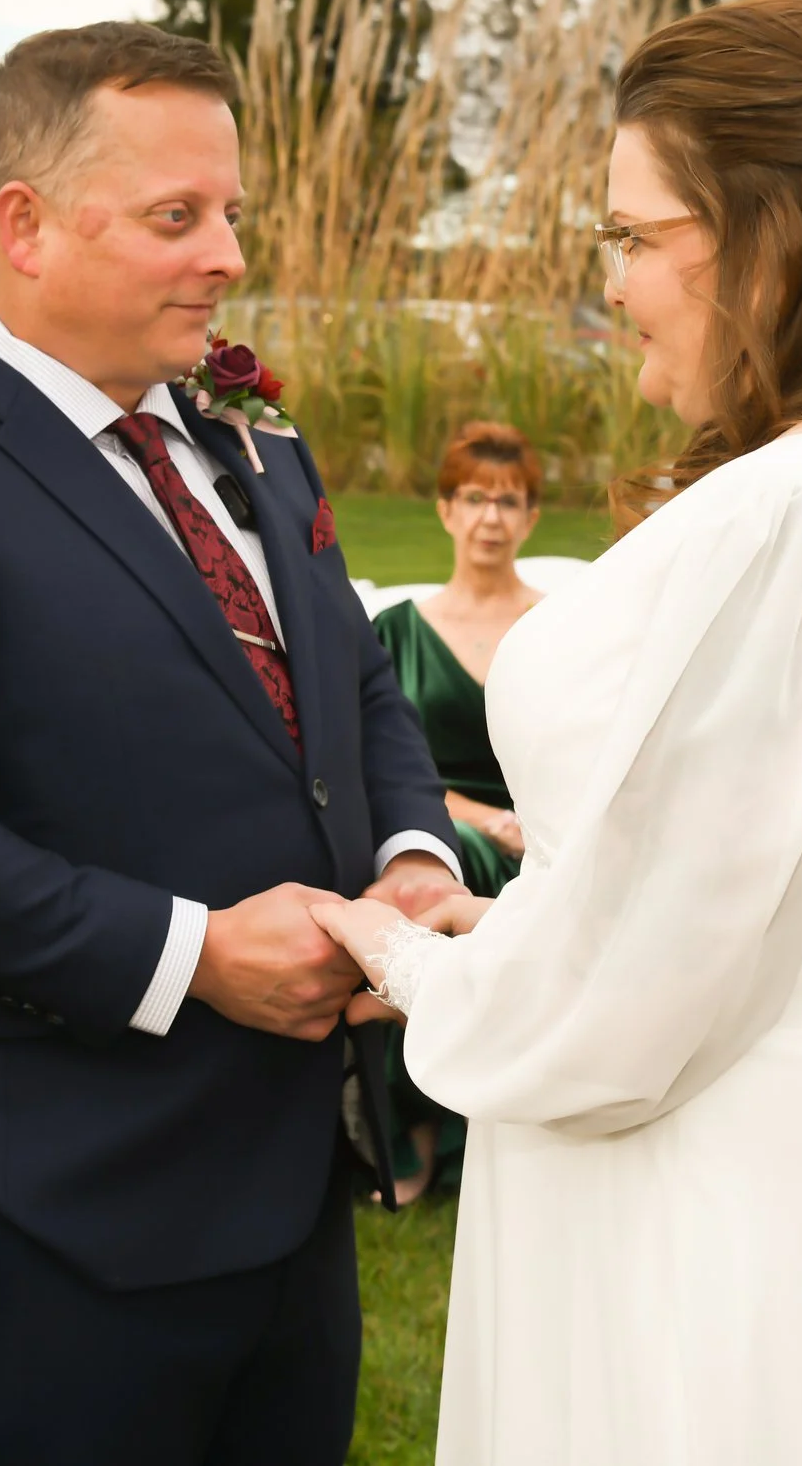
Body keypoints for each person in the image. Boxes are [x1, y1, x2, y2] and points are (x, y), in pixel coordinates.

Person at [308, 0, 802, 1465]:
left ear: (768, 232)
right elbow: (779, 879)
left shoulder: (801, 508)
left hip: (705, 1197)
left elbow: (646, 995)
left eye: (630, 234)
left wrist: (414, 962)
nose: (609, 283)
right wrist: (530, 923)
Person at [0, 22, 467, 1466]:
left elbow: (352, 680)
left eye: (233, 216)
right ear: (21, 223)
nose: (224, 256)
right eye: (175, 217)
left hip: (287, 1178)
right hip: (49, 1202)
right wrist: (194, 952)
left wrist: (408, 851)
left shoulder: (255, 445)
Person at [368, 421, 547, 1203]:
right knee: (436, 871)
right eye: (474, 498)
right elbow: (378, 762)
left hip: (550, 831)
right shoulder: (397, 632)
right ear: (444, 510)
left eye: (508, 501)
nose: (490, 519)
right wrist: (485, 819)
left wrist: (531, 826)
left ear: (532, 516)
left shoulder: (560, 628)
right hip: (438, 826)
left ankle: (485, 1126)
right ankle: (416, 1126)